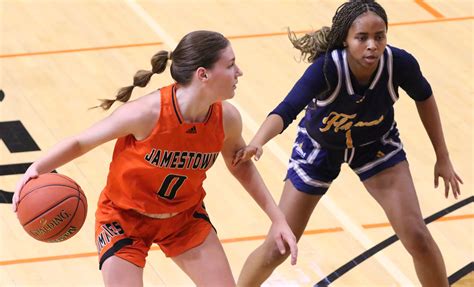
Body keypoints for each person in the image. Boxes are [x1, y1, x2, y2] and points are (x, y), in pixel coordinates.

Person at [12, 30, 297, 287]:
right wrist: (37, 168)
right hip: (124, 218)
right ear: (203, 74)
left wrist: (278, 220)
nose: (240, 71)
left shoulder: (227, 119)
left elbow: (241, 166)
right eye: (231, 64)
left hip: (184, 219)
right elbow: (81, 142)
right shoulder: (146, 113)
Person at [234, 1, 462, 286]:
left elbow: (424, 97)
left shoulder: (398, 63)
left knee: (418, 237)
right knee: (277, 247)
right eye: (362, 38)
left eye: (379, 37)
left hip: (375, 144)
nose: (372, 46)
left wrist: (443, 156)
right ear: (345, 39)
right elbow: (287, 109)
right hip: (319, 148)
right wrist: (257, 141)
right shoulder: (327, 69)